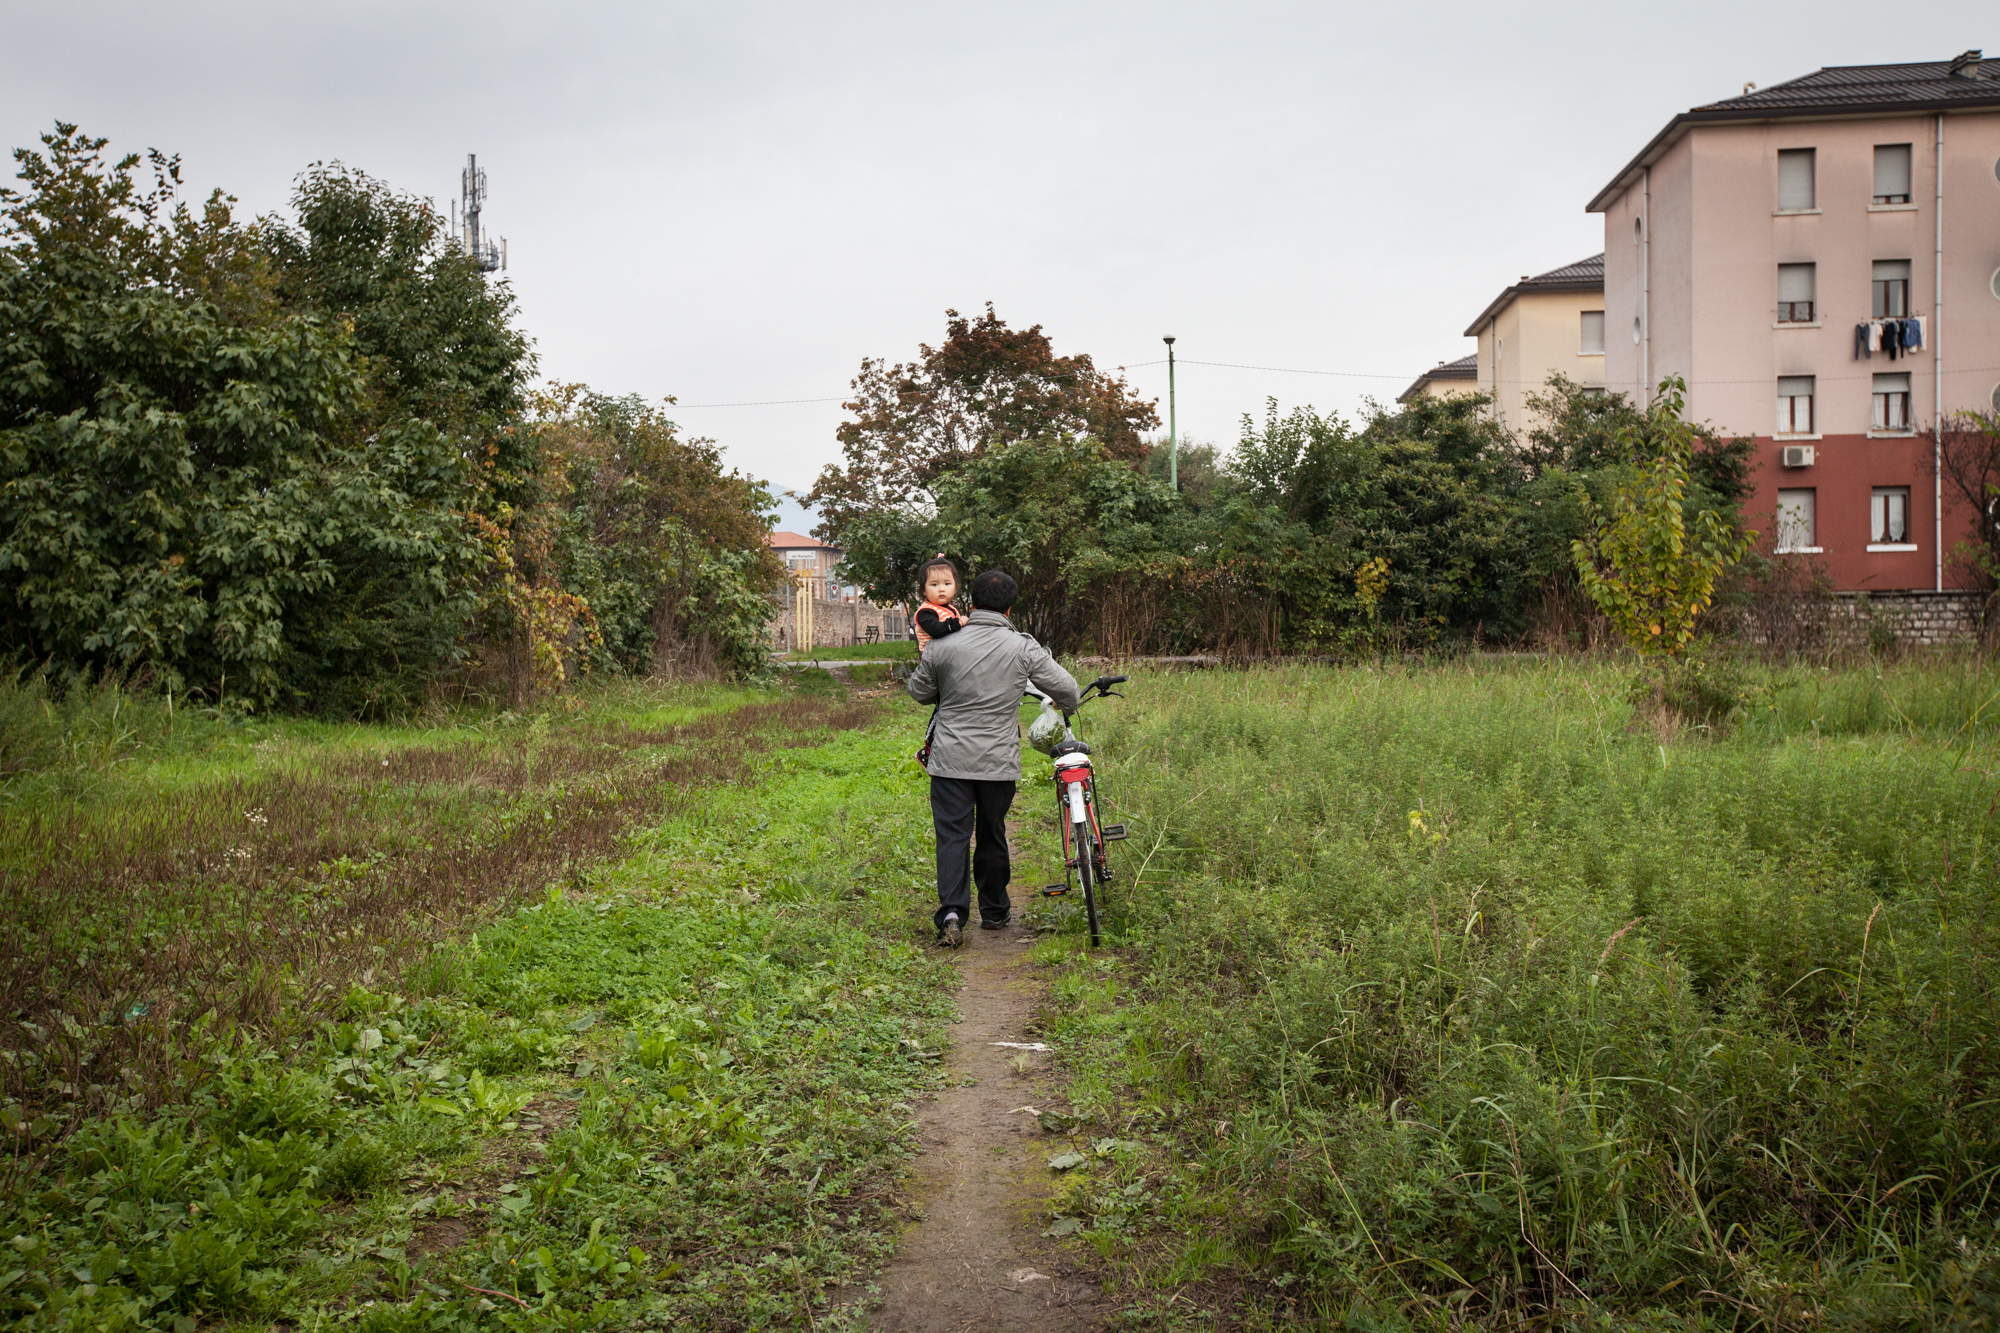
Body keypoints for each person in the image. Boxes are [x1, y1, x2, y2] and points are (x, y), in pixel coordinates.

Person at [906, 569, 1079, 947]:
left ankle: (952, 914)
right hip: (997, 762)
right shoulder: (1023, 646)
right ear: (1010, 607)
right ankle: (996, 911)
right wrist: (1060, 706)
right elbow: (1067, 688)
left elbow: (919, 692)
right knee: (991, 831)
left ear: (970, 603)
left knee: (952, 836)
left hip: (950, 760)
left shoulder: (942, 644)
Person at [912, 555, 964, 652]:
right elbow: (936, 630)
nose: (941, 589)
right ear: (924, 590)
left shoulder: (951, 609)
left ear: (955, 588)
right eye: (934, 584)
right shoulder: (925, 612)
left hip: (948, 655)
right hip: (933, 659)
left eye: (947, 583)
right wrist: (959, 623)